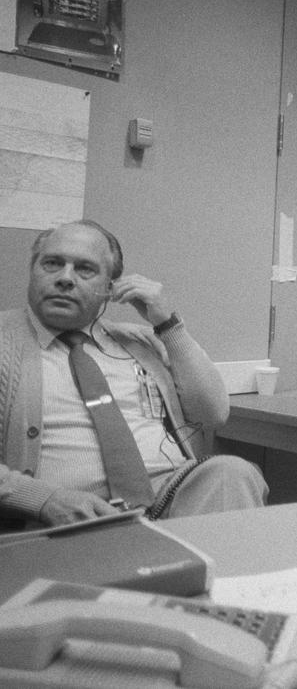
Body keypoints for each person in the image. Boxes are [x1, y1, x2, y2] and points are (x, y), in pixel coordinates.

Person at [0, 220, 266, 527]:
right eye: (52, 264)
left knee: (232, 473)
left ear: (109, 288)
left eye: (85, 269)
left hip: (169, 499)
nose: (65, 278)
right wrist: (43, 499)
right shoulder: (5, 342)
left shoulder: (140, 341)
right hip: (67, 517)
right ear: (33, 271)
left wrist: (167, 325)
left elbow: (212, 414)